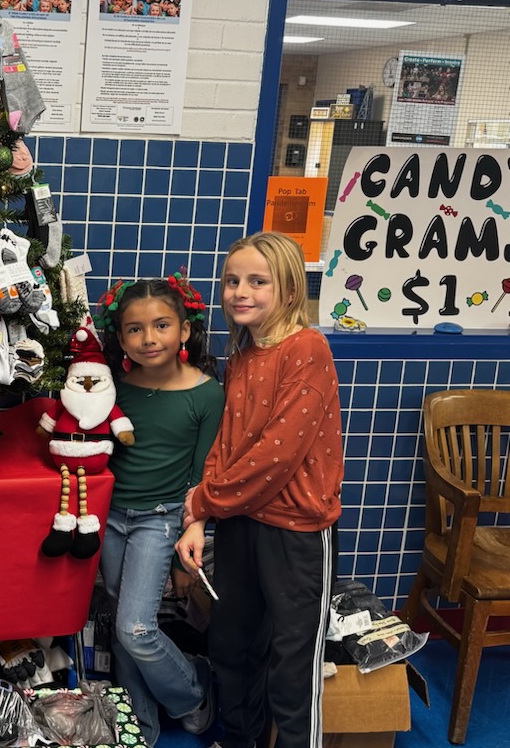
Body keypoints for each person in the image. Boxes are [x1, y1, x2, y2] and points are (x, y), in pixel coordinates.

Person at [176, 231, 343, 748]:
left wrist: (203, 501)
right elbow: (229, 444)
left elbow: (275, 457)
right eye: (231, 281)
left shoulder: (307, 349)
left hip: (296, 534)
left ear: (290, 290)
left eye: (257, 281)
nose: (239, 291)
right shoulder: (244, 353)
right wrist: (198, 519)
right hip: (242, 523)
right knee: (231, 647)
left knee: (292, 669)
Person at [94, 274, 225, 746]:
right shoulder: (113, 387)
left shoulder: (207, 394)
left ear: (185, 331)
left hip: (160, 519)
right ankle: (140, 724)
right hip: (109, 517)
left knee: (135, 626)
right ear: (121, 336)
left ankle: (193, 692)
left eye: (162, 325)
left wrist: (180, 556)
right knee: (118, 614)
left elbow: (200, 480)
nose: (148, 339)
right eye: (134, 329)